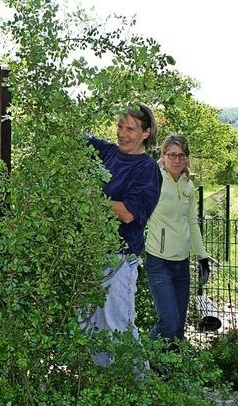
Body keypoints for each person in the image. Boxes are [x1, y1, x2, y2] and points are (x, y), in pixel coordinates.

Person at [84, 104, 162, 366]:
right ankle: (104, 384)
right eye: (120, 126)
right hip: (91, 252)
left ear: (146, 134)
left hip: (119, 258)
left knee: (118, 326)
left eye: (130, 129)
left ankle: (139, 388)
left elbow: (129, 213)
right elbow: (74, 137)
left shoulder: (147, 169)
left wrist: (90, 198)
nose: (122, 133)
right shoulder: (107, 152)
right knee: (89, 324)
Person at [145, 134, 210, 343]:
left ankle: (169, 371)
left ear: (187, 158)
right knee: (168, 323)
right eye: (171, 155)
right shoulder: (153, 181)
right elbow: (138, 217)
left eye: (181, 155)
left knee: (179, 328)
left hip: (181, 264)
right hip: (158, 261)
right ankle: (141, 364)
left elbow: (192, 222)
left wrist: (202, 257)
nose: (177, 160)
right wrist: (133, 254)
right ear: (163, 156)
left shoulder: (187, 186)